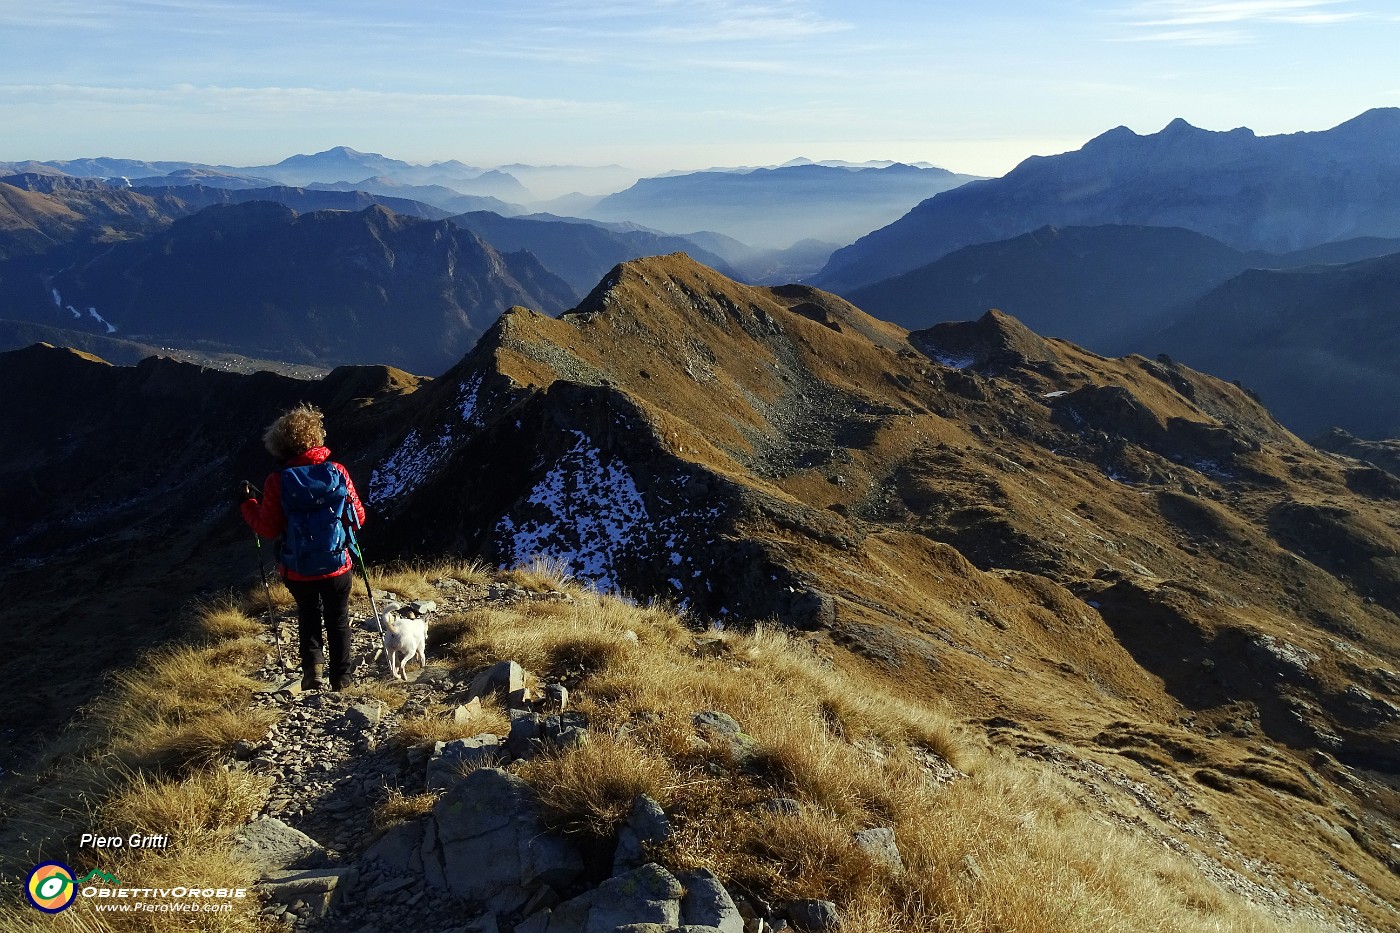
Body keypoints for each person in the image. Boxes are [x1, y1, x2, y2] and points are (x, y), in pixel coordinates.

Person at [240, 404, 366, 691]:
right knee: (338, 619)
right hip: (337, 565)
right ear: (315, 437)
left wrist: (247, 505)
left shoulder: (277, 481)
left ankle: (313, 674)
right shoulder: (337, 471)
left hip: (297, 569)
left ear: (281, 445)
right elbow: (357, 517)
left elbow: (268, 528)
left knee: (308, 616)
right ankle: (342, 679)